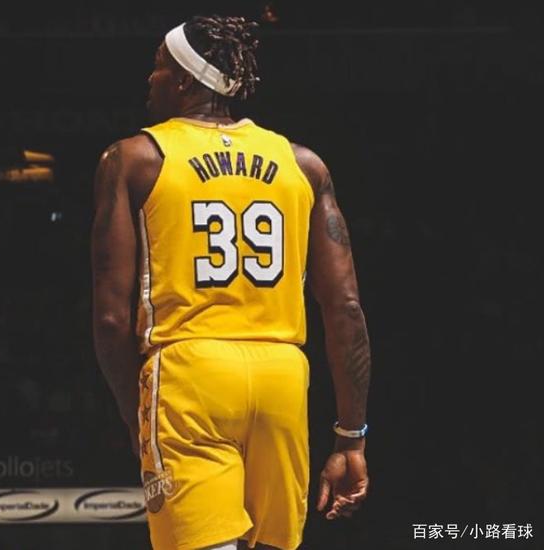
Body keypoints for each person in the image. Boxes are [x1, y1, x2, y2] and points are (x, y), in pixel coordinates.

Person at [92, 15, 371, 550]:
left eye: (158, 66)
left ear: (184, 80)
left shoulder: (135, 158)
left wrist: (135, 414)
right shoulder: (303, 164)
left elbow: (109, 317)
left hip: (189, 372)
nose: (150, 78)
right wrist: (351, 437)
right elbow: (346, 308)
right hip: (282, 376)